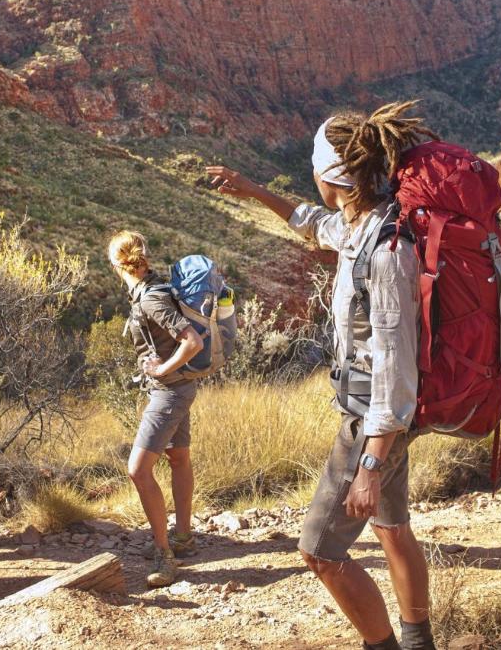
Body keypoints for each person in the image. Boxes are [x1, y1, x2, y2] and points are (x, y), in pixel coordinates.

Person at [207, 101, 438, 650]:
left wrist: (370, 464)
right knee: (390, 528)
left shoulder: (384, 251)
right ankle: (417, 640)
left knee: (319, 551)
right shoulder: (362, 222)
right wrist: (252, 189)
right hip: (381, 419)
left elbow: (395, 365)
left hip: (371, 422)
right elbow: (316, 227)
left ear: (329, 174)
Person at [108, 231, 205, 589]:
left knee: (138, 470)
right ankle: (183, 536)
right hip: (179, 388)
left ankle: (164, 553)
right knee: (178, 458)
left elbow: (191, 342)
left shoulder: (151, 300)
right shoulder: (154, 289)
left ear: (118, 265)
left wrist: (163, 370)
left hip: (169, 392)